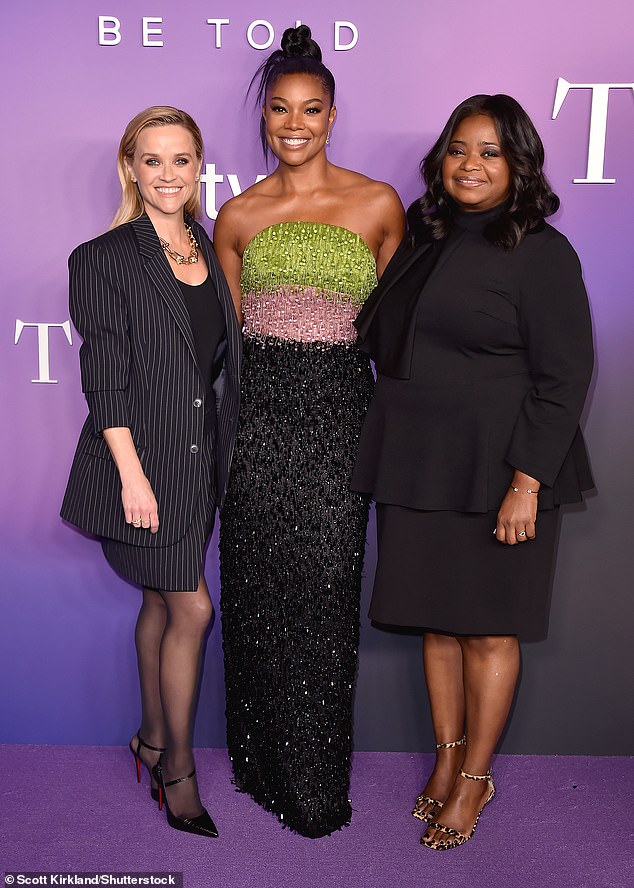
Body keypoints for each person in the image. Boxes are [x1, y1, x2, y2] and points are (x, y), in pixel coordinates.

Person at [352, 94, 594, 850]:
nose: (471, 165)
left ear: (518, 164)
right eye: (459, 149)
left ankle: (477, 779)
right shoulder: (425, 238)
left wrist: (526, 481)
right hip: (418, 464)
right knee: (438, 622)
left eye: (490, 152)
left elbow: (566, 375)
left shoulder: (542, 252)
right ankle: (447, 758)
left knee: (489, 631)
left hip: (499, 470)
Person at [214, 25, 404, 837]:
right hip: (257, 417)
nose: (295, 124)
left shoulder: (378, 205)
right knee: (256, 591)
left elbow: (398, 330)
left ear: (332, 115)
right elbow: (225, 341)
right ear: (265, 117)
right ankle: (259, 763)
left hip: (339, 414)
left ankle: (318, 783)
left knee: (325, 594)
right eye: (281, 110)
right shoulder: (236, 215)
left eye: (312, 110)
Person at [61, 106, 241, 839]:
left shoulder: (208, 244)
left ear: (200, 168)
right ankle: (177, 773)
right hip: (144, 466)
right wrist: (133, 476)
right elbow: (105, 382)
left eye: (183, 160)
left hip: (200, 464)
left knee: (165, 606)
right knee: (191, 608)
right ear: (130, 168)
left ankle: (148, 736)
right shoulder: (102, 258)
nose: (169, 174)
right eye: (153, 160)